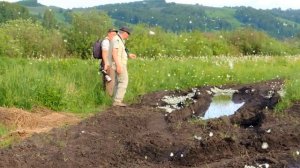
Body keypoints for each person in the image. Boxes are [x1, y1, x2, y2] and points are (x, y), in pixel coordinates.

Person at [111, 26, 136, 107]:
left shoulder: (119, 39)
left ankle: (115, 100)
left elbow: (121, 51)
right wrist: (118, 66)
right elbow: (114, 53)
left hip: (118, 63)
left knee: (118, 82)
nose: (129, 35)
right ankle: (117, 101)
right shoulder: (117, 39)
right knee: (123, 81)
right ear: (125, 33)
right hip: (119, 64)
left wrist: (129, 55)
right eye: (128, 34)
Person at [101, 28, 118, 96]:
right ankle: (108, 97)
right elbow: (104, 53)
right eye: (113, 34)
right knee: (110, 81)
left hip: (109, 63)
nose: (114, 36)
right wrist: (106, 63)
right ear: (109, 33)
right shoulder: (106, 42)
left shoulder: (110, 42)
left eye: (115, 35)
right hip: (108, 63)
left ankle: (108, 96)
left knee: (109, 80)